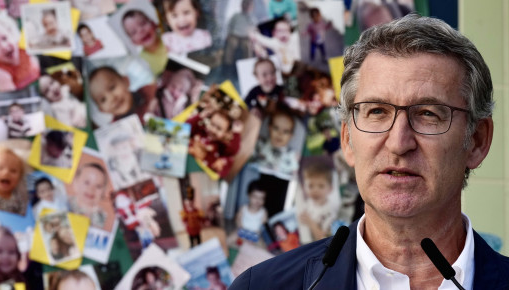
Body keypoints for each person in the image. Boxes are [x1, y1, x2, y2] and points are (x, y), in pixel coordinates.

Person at [229, 14, 509, 289]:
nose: (398, 143)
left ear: (477, 141)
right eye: (377, 111)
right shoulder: (260, 286)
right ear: (347, 139)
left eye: (428, 114)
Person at [0, 19, 40, 92]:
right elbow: (12, 98)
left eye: (4, 38)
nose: (4, 46)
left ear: (11, 33)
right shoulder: (0, 73)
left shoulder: (24, 49)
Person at [88, 66, 157, 125]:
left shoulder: (150, 92)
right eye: (103, 99)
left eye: (112, 87)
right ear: (102, 110)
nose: (112, 98)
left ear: (125, 81)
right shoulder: (113, 130)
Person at [121, 9, 168, 75]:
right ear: (133, 41)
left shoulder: (168, 38)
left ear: (153, 24)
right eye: (134, 32)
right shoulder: (142, 61)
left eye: (143, 23)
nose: (141, 30)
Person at [0, 145, 27, 216]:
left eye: (13, 171)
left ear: (20, 178)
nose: (6, 173)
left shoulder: (20, 199)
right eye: (0, 168)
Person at [68, 163, 109, 227]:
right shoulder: (65, 202)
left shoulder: (101, 216)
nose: (91, 189)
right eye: (87, 183)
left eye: (98, 186)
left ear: (103, 192)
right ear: (75, 183)